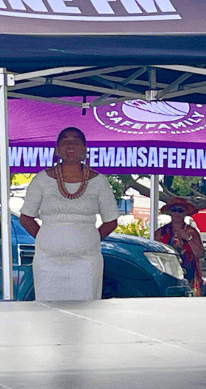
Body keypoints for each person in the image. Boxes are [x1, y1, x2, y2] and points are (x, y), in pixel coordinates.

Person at [19, 127, 120, 301]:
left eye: (76, 141)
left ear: (84, 149)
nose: (70, 144)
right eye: (65, 141)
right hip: (48, 260)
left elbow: (111, 221)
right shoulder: (41, 179)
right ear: (57, 149)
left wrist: (89, 239)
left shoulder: (99, 181)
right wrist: (49, 237)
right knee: (49, 312)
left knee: (85, 312)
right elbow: (26, 218)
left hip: (86, 261)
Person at [155, 197, 204, 296]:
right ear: (170, 212)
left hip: (190, 276)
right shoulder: (160, 232)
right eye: (174, 210)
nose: (177, 213)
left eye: (180, 210)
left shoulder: (192, 232)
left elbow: (200, 254)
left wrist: (188, 238)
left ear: (185, 213)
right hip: (167, 274)